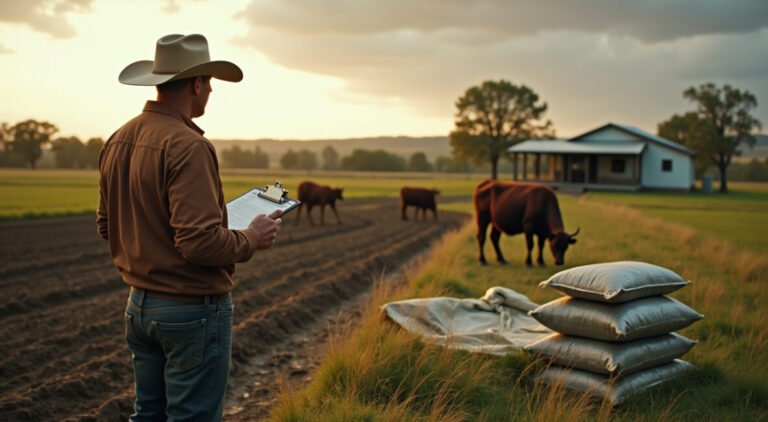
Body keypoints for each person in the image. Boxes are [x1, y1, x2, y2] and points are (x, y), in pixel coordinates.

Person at [97, 34, 282, 421]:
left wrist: (152, 246)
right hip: (190, 311)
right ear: (196, 84)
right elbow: (198, 243)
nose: (212, 90)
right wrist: (252, 236)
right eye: (211, 82)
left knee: (147, 414)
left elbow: (107, 224)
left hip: (139, 307)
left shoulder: (118, 138)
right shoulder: (189, 145)